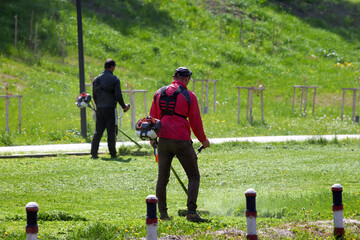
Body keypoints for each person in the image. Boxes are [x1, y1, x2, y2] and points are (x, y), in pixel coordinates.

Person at [149, 67, 210, 222]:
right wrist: (203, 140)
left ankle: (162, 214)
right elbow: (195, 122)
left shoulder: (158, 93)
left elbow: (153, 118)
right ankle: (191, 212)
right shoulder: (189, 96)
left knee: (162, 179)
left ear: (174, 77)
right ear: (187, 79)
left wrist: (152, 138)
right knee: (194, 176)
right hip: (181, 140)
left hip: (163, 140)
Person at [91, 59, 130, 159]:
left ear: (104, 67)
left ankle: (94, 153)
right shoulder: (115, 79)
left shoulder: (96, 80)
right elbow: (118, 95)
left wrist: (98, 105)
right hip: (110, 108)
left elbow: (94, 95)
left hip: (99, 108)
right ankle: (112, 153)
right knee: (111, 131)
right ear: (112, 67)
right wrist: (124, 106)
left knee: (98, 131)